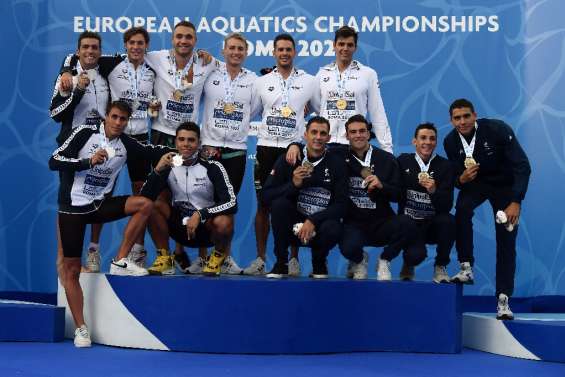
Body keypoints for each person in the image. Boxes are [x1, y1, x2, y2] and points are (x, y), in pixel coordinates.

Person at [49, 101, 168, 348]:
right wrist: (87, 162)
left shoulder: (126, 143)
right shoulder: (84, 133)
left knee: (144, 204)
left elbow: (150, 152)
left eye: (123, 119)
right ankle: (82, 329)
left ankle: (120, 260)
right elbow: (55, 160)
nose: (118, 123)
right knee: (71, 270)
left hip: (98, 206)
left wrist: (178, 152)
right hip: (72, 208)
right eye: (114, 117)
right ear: (106, 116)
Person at [58, 27, 157, 268]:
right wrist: (65, 70)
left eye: (140, 43)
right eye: (132, 43)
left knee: (140, 191)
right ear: (125, 45)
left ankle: (137, 250)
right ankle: (93, 250)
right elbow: (76, 57)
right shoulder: (111, 64)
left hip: (139, 137)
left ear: (147, 45)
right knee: (99, 191)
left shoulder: (154, 67)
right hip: (110, 135)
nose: (136, 47)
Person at [443, 98, 531, 320]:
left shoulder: (497, 130)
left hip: (505, 187)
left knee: (506, 238)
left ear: (474, 115)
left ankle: (503, 299)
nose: (462, 122)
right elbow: (455, 178)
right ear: (451, 120)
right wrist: (461, 179)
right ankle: (466, 266)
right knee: (462, 207)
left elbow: (522, 166)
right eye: (457, 118)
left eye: (466, 116)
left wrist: (516, 201)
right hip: (477, 185)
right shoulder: (450, 142)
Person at [181, 32, 259, 275]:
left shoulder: (253, 80)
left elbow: (253, 110)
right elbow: (190, 93)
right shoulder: (210, 73)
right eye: (232, 48)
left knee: (228, 204)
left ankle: (223, 257)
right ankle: (203, 257)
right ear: (224, 51)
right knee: (203, 200)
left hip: (236, 150)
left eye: (240, 49)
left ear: (246, 53)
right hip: (209, 146)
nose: (236, 53)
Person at [244, 33, 316, 276]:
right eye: (280, 49)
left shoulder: (309, 81)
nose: (284, 53)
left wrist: (301, 139)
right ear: (274, 52)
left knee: (293, 204)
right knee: (263, 204)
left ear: (294, 52)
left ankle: (293, 259)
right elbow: (251, 113)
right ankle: (261, 258)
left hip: (293, 149)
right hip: (265, 149)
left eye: (288, 49)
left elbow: (319, 112)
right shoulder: (261, 82)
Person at [50, 31, 110, 274]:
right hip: (73, 147)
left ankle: (93, 252)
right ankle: (63, 258)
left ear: (100, 51)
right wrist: (77, 91)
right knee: (68, 202)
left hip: (102, 146)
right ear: (77, 52)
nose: (90, 51)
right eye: (85, 47)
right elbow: (56, 115)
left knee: (99, 199)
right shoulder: (67, 79)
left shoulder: (106, 74)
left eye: (94, 47)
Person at [142, 122, 237, 276]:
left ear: (199, 143)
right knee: (151, 206)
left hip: (206, 230)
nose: (186, 144)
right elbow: (144, 198)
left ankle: (216, 258)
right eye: (182, 139)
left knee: (225, 221)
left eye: (191, 140)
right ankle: (165, 258)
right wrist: (158, 170)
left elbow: (231, 202)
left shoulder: (213, 167)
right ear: (176, 142)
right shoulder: (169, 164)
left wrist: (200, 214)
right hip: (179, 229)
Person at [337, 115, 421, 280]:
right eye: (353, 132)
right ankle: (359, 259)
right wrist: (295, 145)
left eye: (362, 131)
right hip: (354, 223)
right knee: (347, 246)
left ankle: (385, 259)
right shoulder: (338, 157)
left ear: (369, 134)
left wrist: (383, 186)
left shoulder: (386, 159)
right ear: (346, 136)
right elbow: (314, 147)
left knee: (407, 224)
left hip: (382, 222)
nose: (358, 135)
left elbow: (399, 194)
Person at [261, 116, 346, 278]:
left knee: (334, 227)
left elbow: (341, 205)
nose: (318, 137)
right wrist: (293, 184)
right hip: (293, 224)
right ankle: (281, 263)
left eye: (323, 133)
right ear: (305, 134)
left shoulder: (337, 163)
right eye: (314, 132)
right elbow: (266, 196)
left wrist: (314, 220)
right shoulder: (289, 159)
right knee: (279, 205)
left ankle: (319, 263)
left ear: (329, 137)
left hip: (320, 224)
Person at [312, 26, 393, 154]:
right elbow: (316, 109)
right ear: (334, 45)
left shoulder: (368, 74)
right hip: (326, 144)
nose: (345, 48)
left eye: (349, 45)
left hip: (354, 145)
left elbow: (377, 112)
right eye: (341, 44)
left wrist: (387, 149)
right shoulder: (322, 74)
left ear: (355, 47)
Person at [397, 122, 455, 283]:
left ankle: (440, 266)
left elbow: (447, 206)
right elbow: (393, 190)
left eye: (432, 139)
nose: (427, 142)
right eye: (423, 138)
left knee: (449, 220)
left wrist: (434, 191)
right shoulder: (403, 161)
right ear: (414, 141)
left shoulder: (445, 166)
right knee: (415, 256)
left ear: (436, 142)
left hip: (432, 225)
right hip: (410, 225)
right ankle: (408, 263)